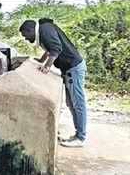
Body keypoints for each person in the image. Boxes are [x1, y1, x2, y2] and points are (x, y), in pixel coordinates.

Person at [19, 18, 88, 147]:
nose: (26, 39)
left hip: (74, 68)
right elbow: (50, 49)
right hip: (69, 69)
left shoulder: (45, 30)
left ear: (30, 30)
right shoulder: (44, 31)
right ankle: (78, 134)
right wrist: (41, 60)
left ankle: (81, 137)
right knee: (71, 103)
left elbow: (56, 48)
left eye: (25, 35)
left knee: (78, 103)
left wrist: (46, 67)